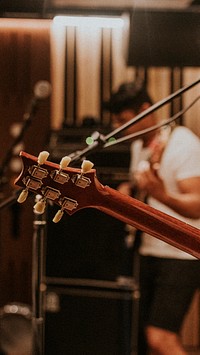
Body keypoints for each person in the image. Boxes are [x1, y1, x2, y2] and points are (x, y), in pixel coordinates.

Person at [104, 79, 200, 355]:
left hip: (181, 254)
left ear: (146, 110)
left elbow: (197, 206)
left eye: (124, 120)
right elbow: (146, 195)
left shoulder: (183, 144)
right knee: (145, 338)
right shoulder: (139, 146)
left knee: (161, 337)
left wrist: (161, 194)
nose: (118, 128)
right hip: (150, 249)